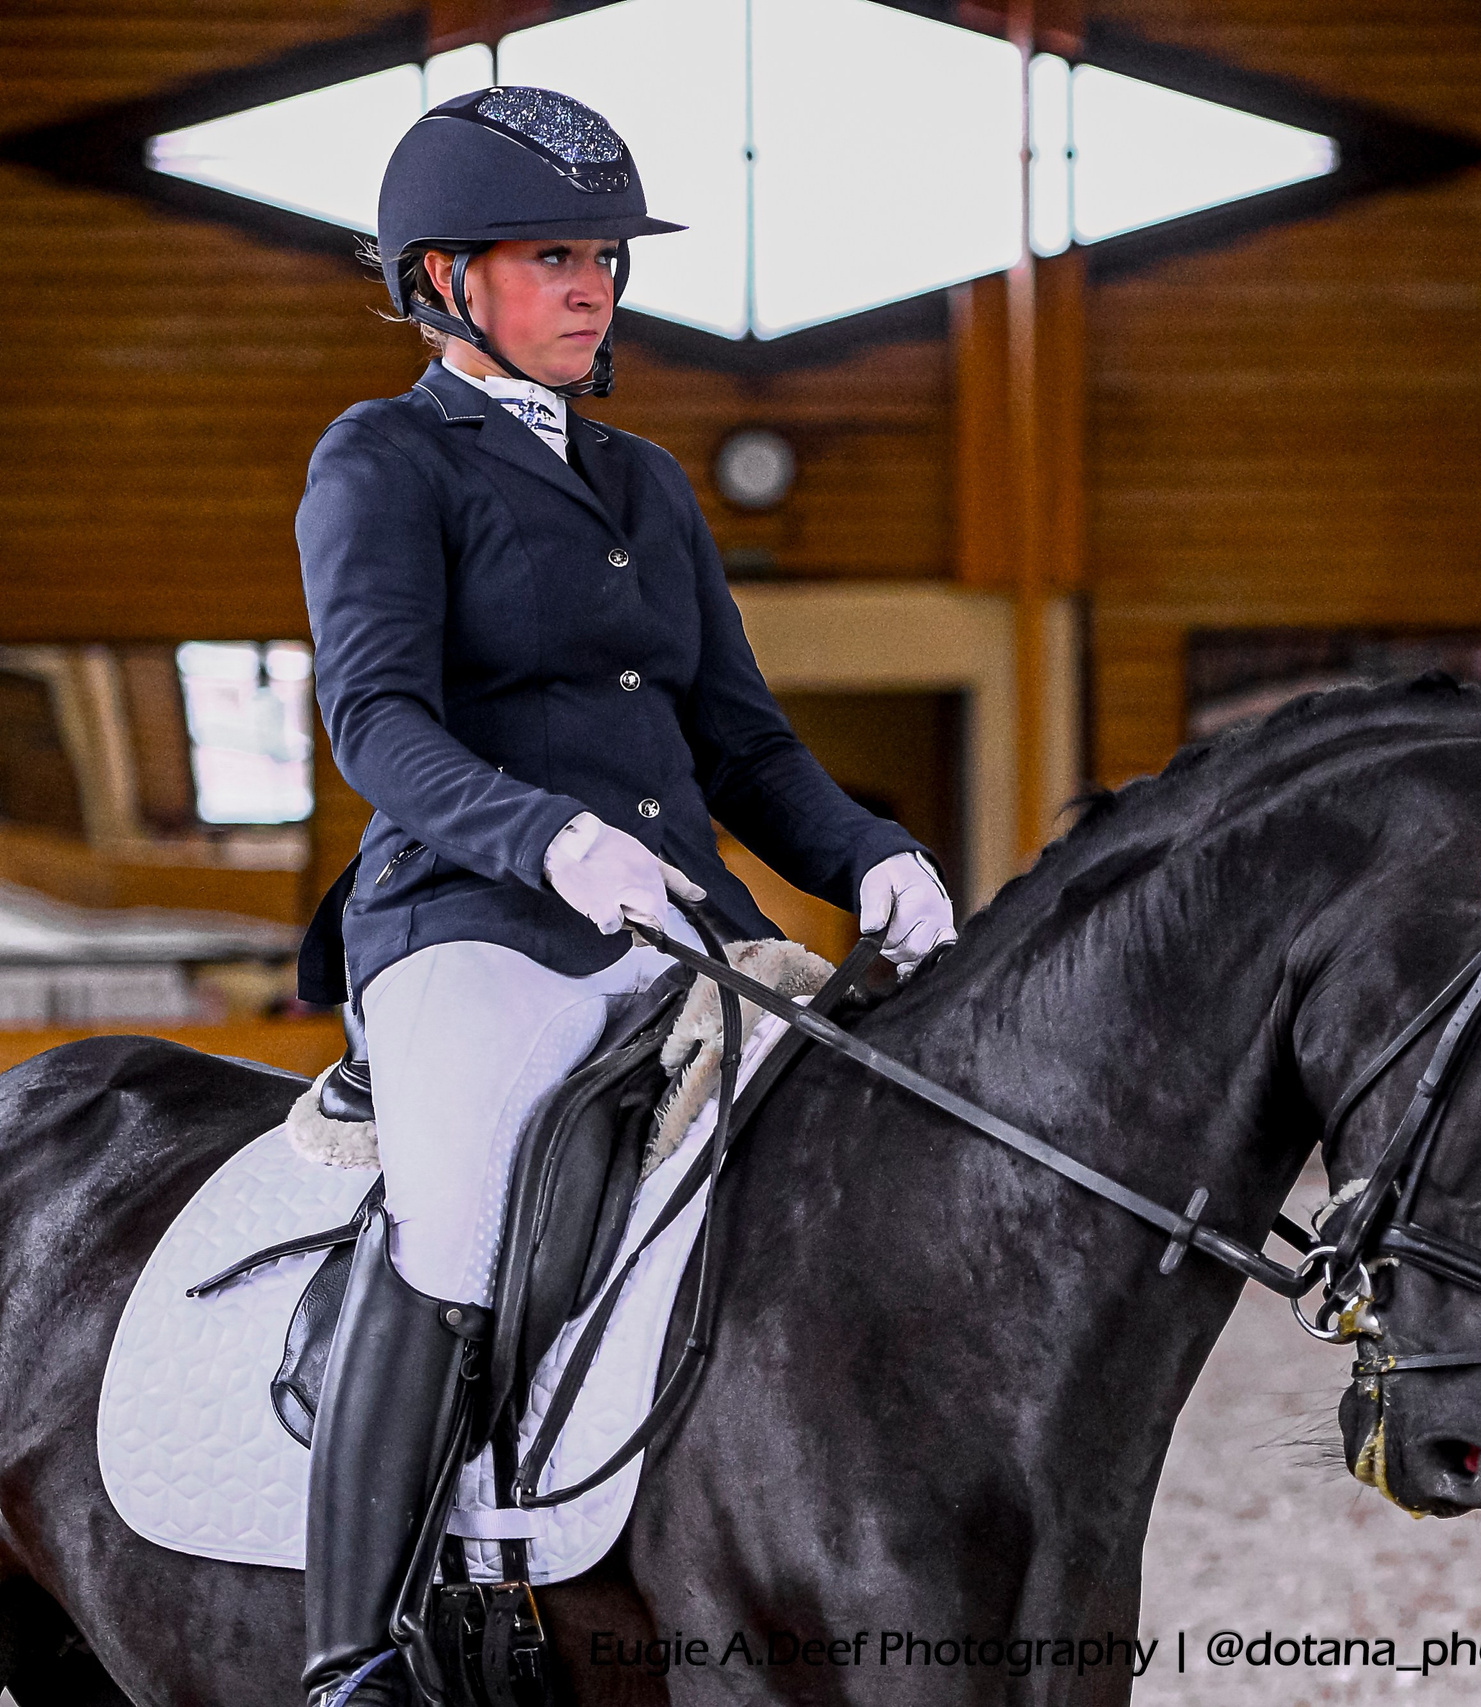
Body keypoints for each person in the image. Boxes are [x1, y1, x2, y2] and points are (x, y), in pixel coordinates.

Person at [292, 86, 956, 1707]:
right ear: (445, 279)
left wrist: (866, 851)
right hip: (473, 920)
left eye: (601, 255)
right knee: (453, 1217)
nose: (594, 286)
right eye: (552, 257)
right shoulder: (384, 457)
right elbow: (375, 719)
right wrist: (545, 838)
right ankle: (355, 1645)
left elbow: (737, 738)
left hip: (688, 931)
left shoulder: (650, 483)